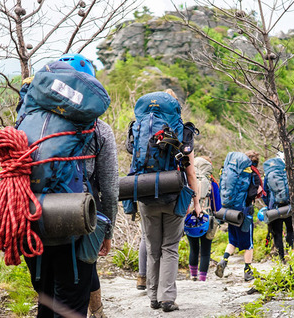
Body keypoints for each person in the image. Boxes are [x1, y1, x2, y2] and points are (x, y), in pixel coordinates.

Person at [18, 54, 119, 318]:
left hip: (32, 220)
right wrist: (107, 231)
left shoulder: (28, 121)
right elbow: (109, 188)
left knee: (46, 301)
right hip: (76, 222)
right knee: (72, 305)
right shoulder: (99, 129)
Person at [130, 89, 201, 312]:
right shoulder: (182, 132)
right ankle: (167, 298)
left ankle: (153, 296)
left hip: (146, 193)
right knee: (170, 247)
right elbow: (191, 174)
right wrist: (196, 203)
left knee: (152, 248)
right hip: (174, 194)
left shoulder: (139, 128)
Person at [215, 150, 263, 282]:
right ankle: (247, 271)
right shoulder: (253, 174)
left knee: (232, 240)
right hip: (244, 213)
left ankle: (223, 261)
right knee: (249, 244)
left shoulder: (234, 171)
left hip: (230, 211)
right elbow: (253, 194)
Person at [186, 156, 220, 282]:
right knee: (205, 251)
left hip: (191, 218)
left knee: (193, 248)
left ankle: (193, 275)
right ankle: (202, 278)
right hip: (207, 219)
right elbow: (217, 205)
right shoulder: (212, 183)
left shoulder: (189, 180)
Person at [263, 151, 294, 263]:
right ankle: (291, 253)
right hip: (289, 206)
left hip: (274, 208)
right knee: (290, 230)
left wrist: (269, 205)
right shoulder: (291, 171)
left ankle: (281, 259)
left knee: (277, 233)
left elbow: (265, 192)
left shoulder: (269, 173)